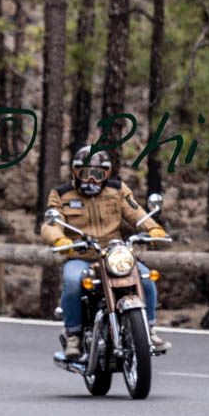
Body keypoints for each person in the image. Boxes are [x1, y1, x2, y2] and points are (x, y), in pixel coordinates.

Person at [39, 146, 170, 359]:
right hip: (81, 256)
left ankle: (149, 329)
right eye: (86, 173)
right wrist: (60, 239)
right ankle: (73, 335)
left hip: (114, 255)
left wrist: (153, 228)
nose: (91, 179)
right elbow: (50, 223)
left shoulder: (117, 190)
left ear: (106, 174)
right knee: (72, 282)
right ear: (75, 172)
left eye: (97, 174)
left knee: (145, 278)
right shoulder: (62, 194)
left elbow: (136, 212)